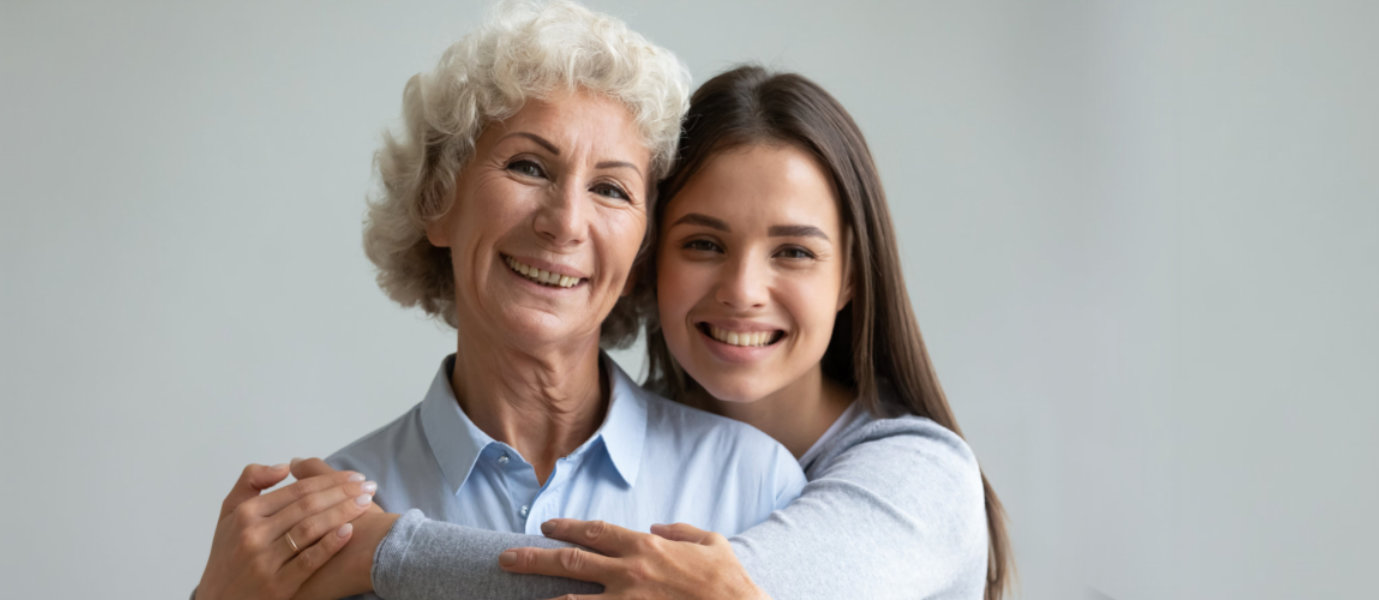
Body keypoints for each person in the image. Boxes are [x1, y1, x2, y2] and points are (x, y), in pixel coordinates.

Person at [300, 65, 1018, 599]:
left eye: (794, 251)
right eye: (703, 243)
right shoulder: (360, 477)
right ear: (648, 258)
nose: (742, 291)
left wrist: (387, 549)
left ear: (852, 277)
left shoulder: (919, 478)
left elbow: (691, 591)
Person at [191, 4, 806, 600]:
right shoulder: (325, 525)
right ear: (437, 200)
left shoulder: (751, 482)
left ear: (642, 247)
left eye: (610, 189)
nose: (565, 223)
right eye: (529, 167)